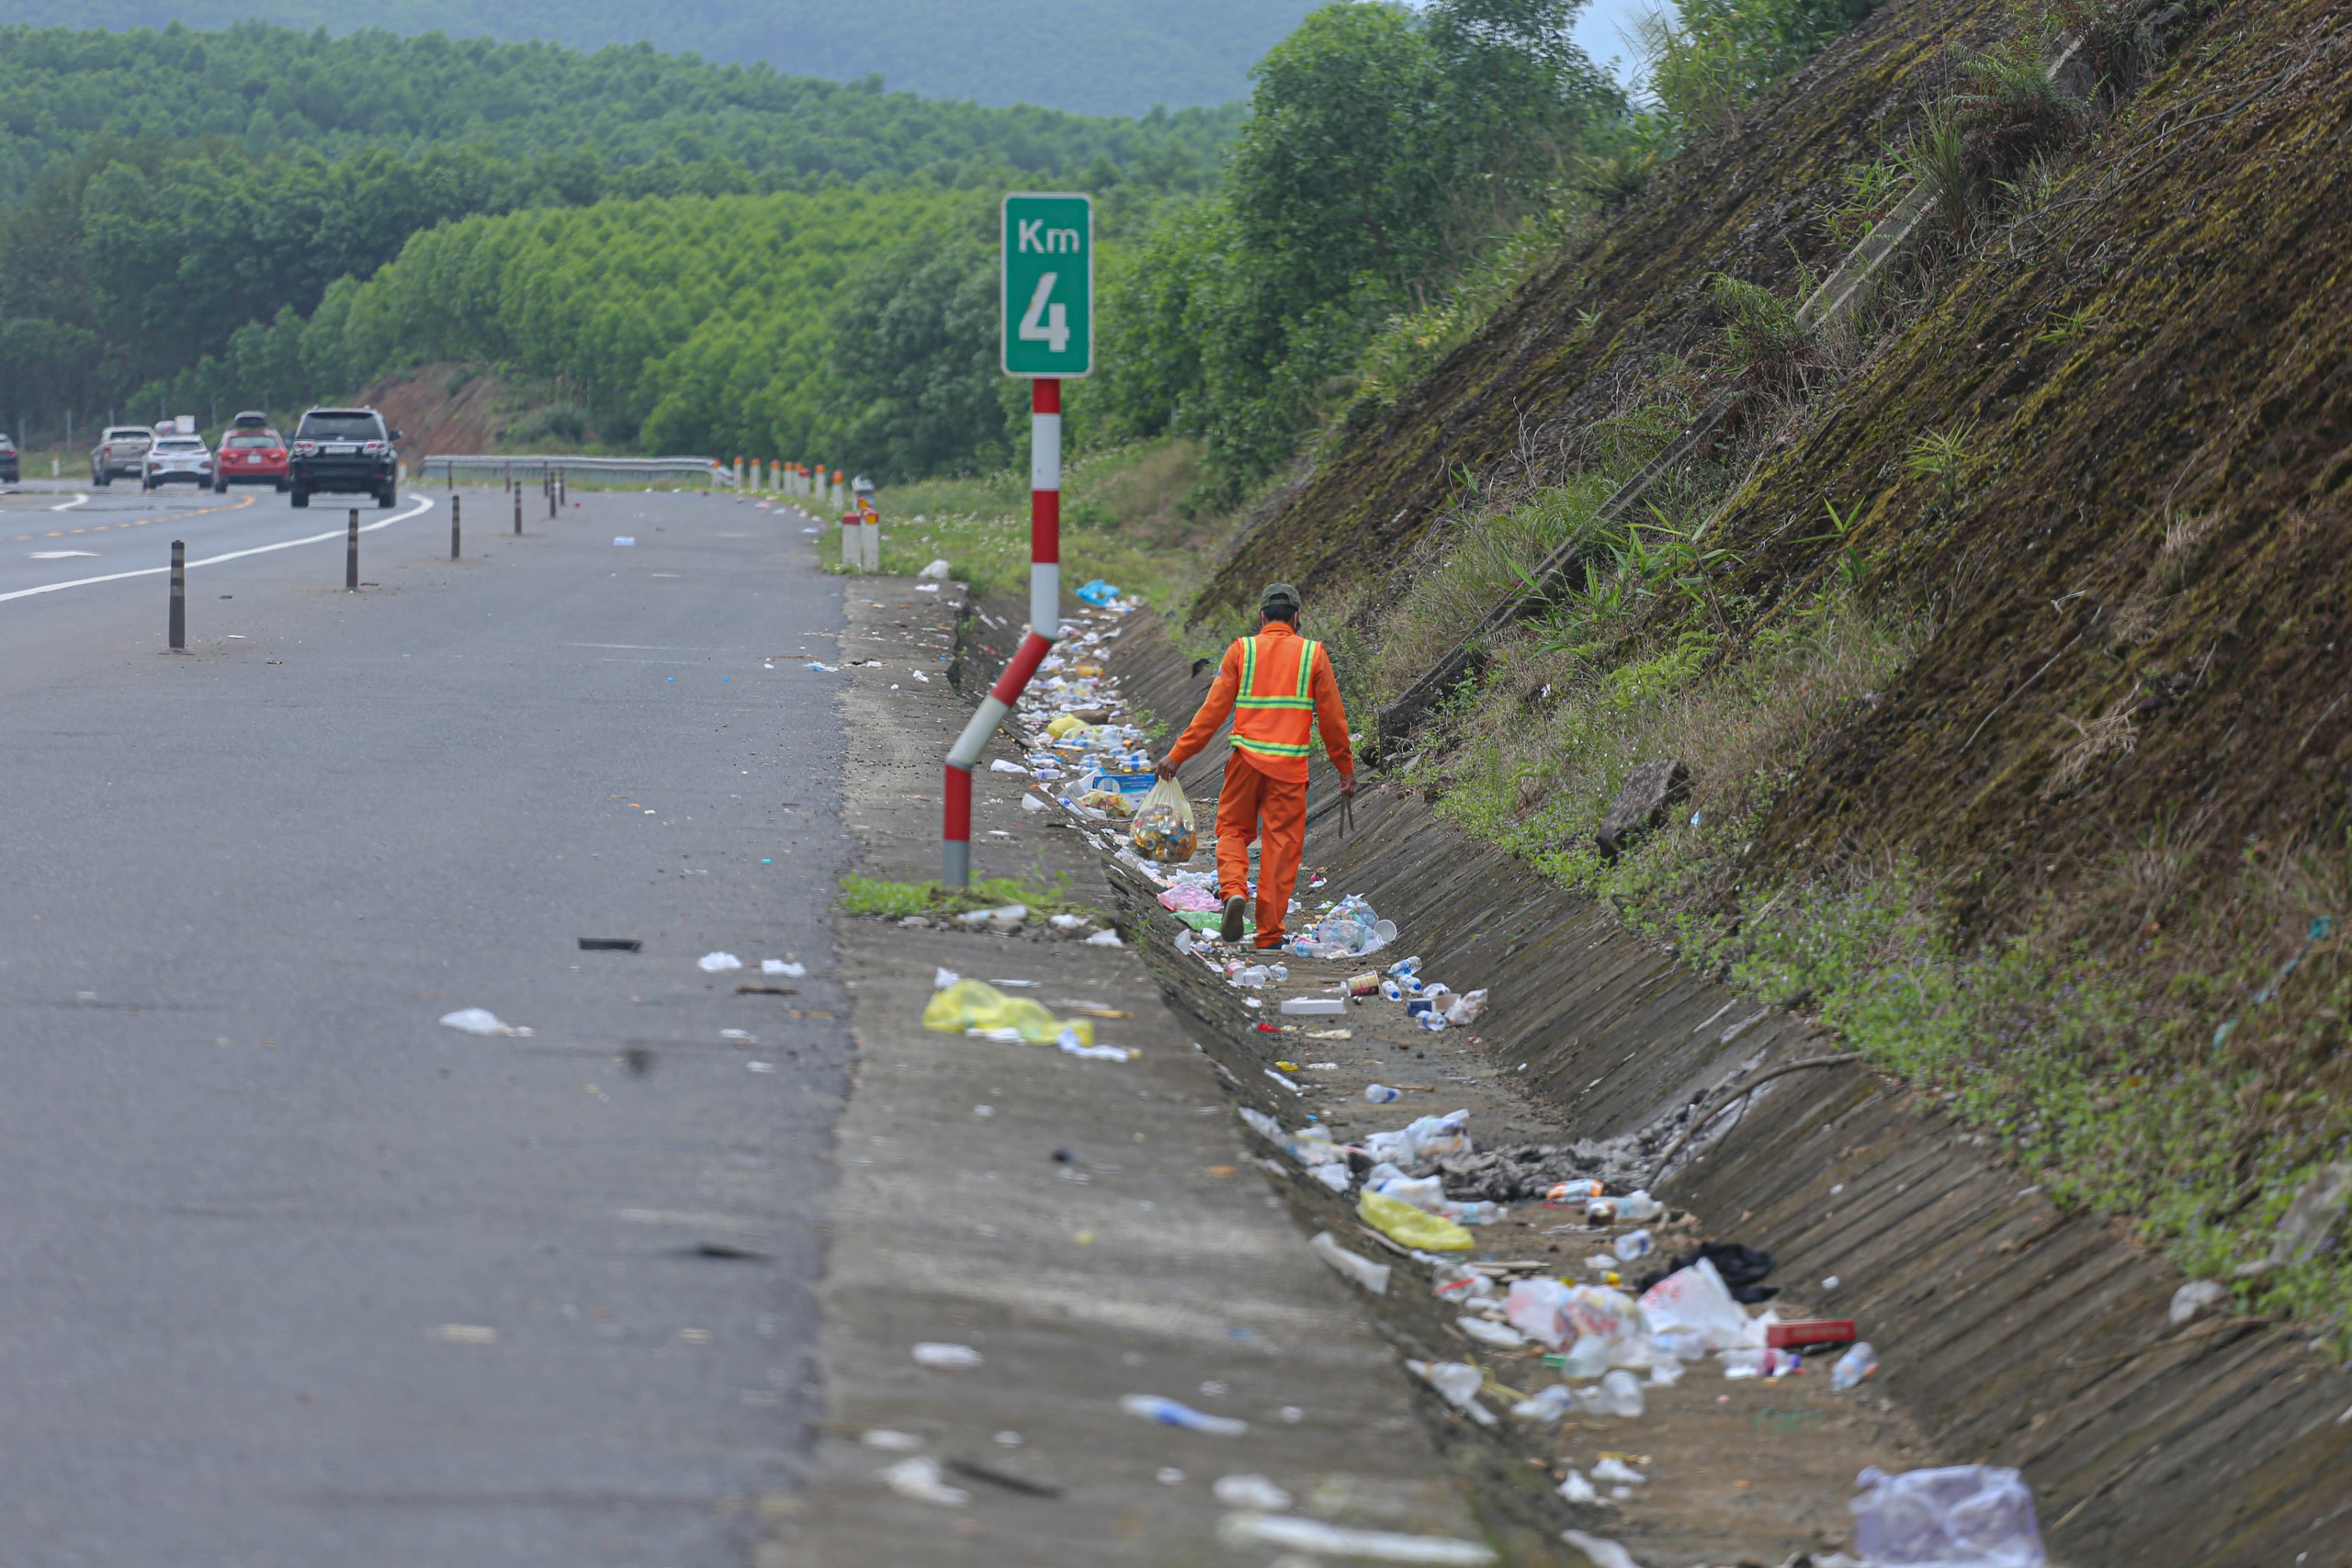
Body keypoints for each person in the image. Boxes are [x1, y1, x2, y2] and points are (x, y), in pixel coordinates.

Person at [1157, 582, 1356, 948]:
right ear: (1297, 618)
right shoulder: (1314, 655)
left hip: (1244, 763)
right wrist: (1345, 769)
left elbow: (1211, 714)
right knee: (1281, 847)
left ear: (1262, 616)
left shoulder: (1241, 651)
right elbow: (1333, 721)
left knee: (1232, 831)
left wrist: (1177, 755)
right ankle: (1269, 935)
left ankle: (1234, 891)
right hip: (1290, 771)